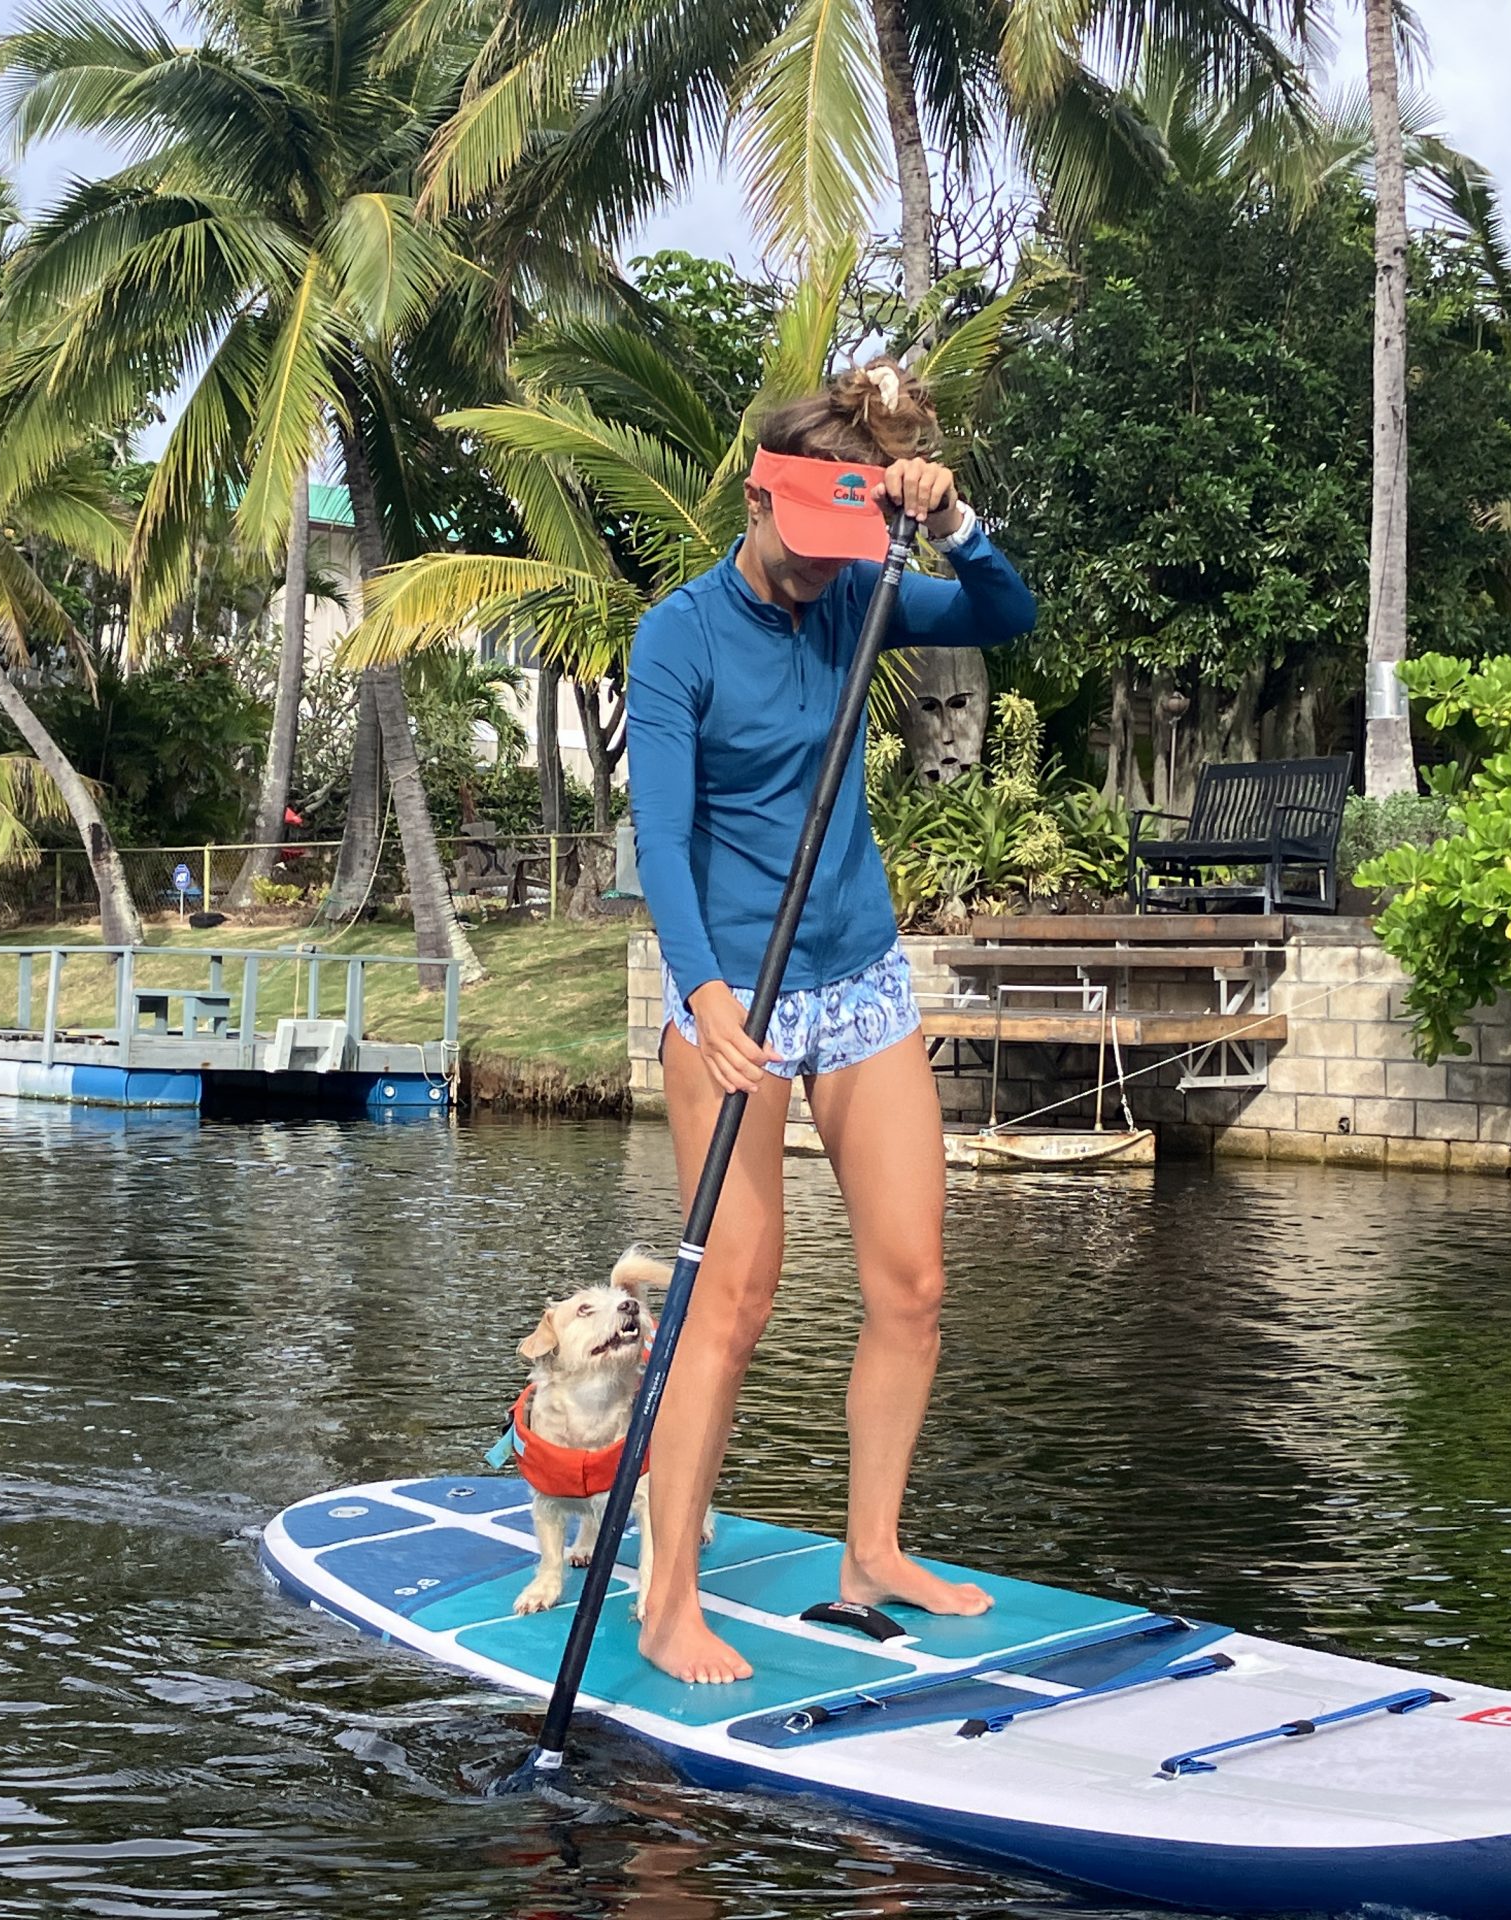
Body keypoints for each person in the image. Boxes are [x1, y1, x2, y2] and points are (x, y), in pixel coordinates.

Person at [624, 358, 1037, 1684]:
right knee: (732, 1306)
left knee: (912, 1284)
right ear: (755, 498)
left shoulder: (861, 590)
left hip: (858, 976)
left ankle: (873, 1549)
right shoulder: (678, 636)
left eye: (837, 551)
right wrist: (702, 996)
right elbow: (664, 835)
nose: (814, 574)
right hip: (731, 994)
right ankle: (667, 1598)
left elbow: (1006, 612)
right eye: (800, 547)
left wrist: (953, 515)